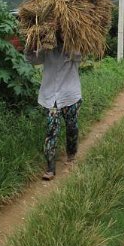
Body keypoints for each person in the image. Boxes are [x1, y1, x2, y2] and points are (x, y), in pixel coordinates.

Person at [25, 39, 82, 181]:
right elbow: (32, 59)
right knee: (51, 130)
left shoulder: (73, 46)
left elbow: (78, 56)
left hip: (70, 96)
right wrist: (30, 45)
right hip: (51, 97)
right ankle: (50, 168)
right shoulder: (46, 49)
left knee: (72, 127)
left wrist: (65, 43)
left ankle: (71, 155)